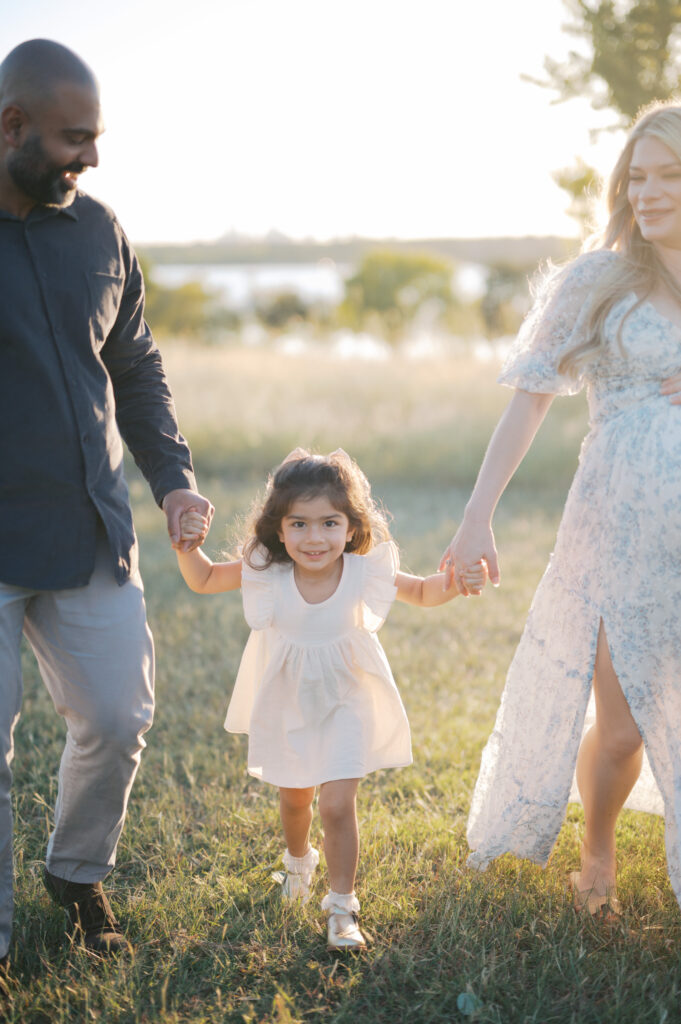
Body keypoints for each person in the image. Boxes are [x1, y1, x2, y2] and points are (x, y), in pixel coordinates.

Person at [0, 38, 213, 967]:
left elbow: (134, 364)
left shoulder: (101, 230)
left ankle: (76, 872)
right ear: (11, 127)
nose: (90, 158)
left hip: (90, 525)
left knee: (121, 718)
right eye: (72, 139)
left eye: (95, 137)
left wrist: (172, 480)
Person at [441, 99, 681, 921]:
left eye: (668, 175)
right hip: (621, 526)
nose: (646, 193)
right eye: (636, 176)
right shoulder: (597, 280)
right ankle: (597, 848)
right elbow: (527, 402)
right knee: (621, 729)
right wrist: (477, 516)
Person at [176, 449, 486, 950]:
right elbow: (205, 578)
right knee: (295, 799)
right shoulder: (268, 573)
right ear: (278, 529)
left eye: (329, 523)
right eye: (299, 523)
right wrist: (186, 544)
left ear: (350, 527)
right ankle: (299, 861)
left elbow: (426, 592)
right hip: (288, 703)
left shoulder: (363, 572)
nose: (314, 538)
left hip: (348, 699)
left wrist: (458, 581)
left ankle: (341, 906)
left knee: (338, 804)